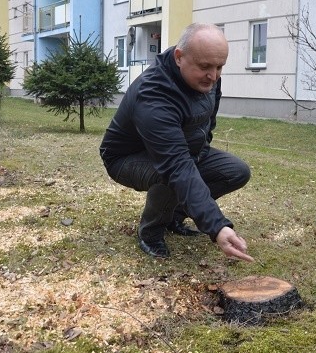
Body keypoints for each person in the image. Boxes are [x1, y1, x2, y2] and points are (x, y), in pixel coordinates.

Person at [99, 23, 254, 262]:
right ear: (179, 57)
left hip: (179, 151)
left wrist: (201, 151)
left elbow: (207, 120)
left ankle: (174, 216)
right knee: (171, 176)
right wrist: (217, 226)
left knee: (236, 172)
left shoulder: (207, 76)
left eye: (219, 67)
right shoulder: (154, 94)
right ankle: (150, 232)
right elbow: (175, 165)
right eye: (205, 67)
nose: (213, 76)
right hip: (127, 158)